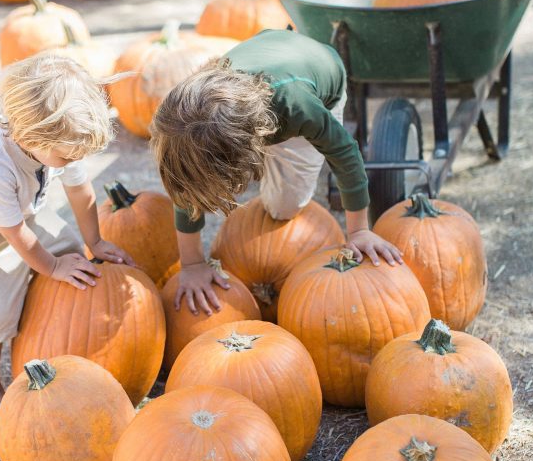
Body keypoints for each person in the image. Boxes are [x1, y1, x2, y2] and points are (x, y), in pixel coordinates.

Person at [0, 53, 134, 435]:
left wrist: (95, 241)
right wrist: (54, 267)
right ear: (28, 138)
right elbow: (17, 238)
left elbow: (79, 190)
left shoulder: (60, 138)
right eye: (66, 156)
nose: (71, 161)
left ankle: (44, 316)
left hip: (18, 215)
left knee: (70, 249)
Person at [150, 29, 403, 316]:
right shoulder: (184, 114)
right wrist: (192, 263)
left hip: (319, 77)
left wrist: (358, 230)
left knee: (283, 207)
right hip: (267, 57)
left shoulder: (297, 106)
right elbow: (185, 183)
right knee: (197, 170)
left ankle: (269, 167)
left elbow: (344, 153)